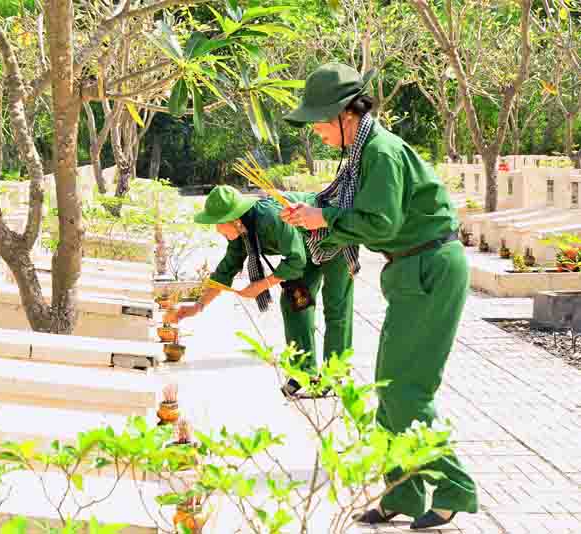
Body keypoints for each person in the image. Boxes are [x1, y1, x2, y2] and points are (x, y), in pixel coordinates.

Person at [280, 62, 478, 530]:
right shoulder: (364, 152)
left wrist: (325, 218)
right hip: (413, 270)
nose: (317, 133)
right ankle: (402, 493)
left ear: (346, 114)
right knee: (388, 389)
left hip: (429, 269)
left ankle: (455, 488)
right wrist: (315, 215)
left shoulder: (381, 153)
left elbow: (382, 223)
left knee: (408, 390)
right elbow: (365, 216)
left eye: (319, 122)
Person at [166, 184, 353, 397]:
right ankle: (303, 372)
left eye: (218, 223)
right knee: (294, 302)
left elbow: (295, 260)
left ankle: (334, 376)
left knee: (336, 306)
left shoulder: (270, 218)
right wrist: (198, 306)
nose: (217, 230)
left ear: (234, 219)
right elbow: (226, 270)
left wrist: (262, 285)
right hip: (306, 247)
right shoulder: (241, 231)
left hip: (335, 237)